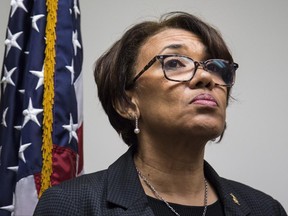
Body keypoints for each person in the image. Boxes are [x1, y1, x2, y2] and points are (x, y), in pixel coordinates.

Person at [33, 11, 287, 216]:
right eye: (174, 63)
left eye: (216, 67)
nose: (206, 78)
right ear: (126, 102)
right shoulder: (71, 206)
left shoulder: (266, 208)